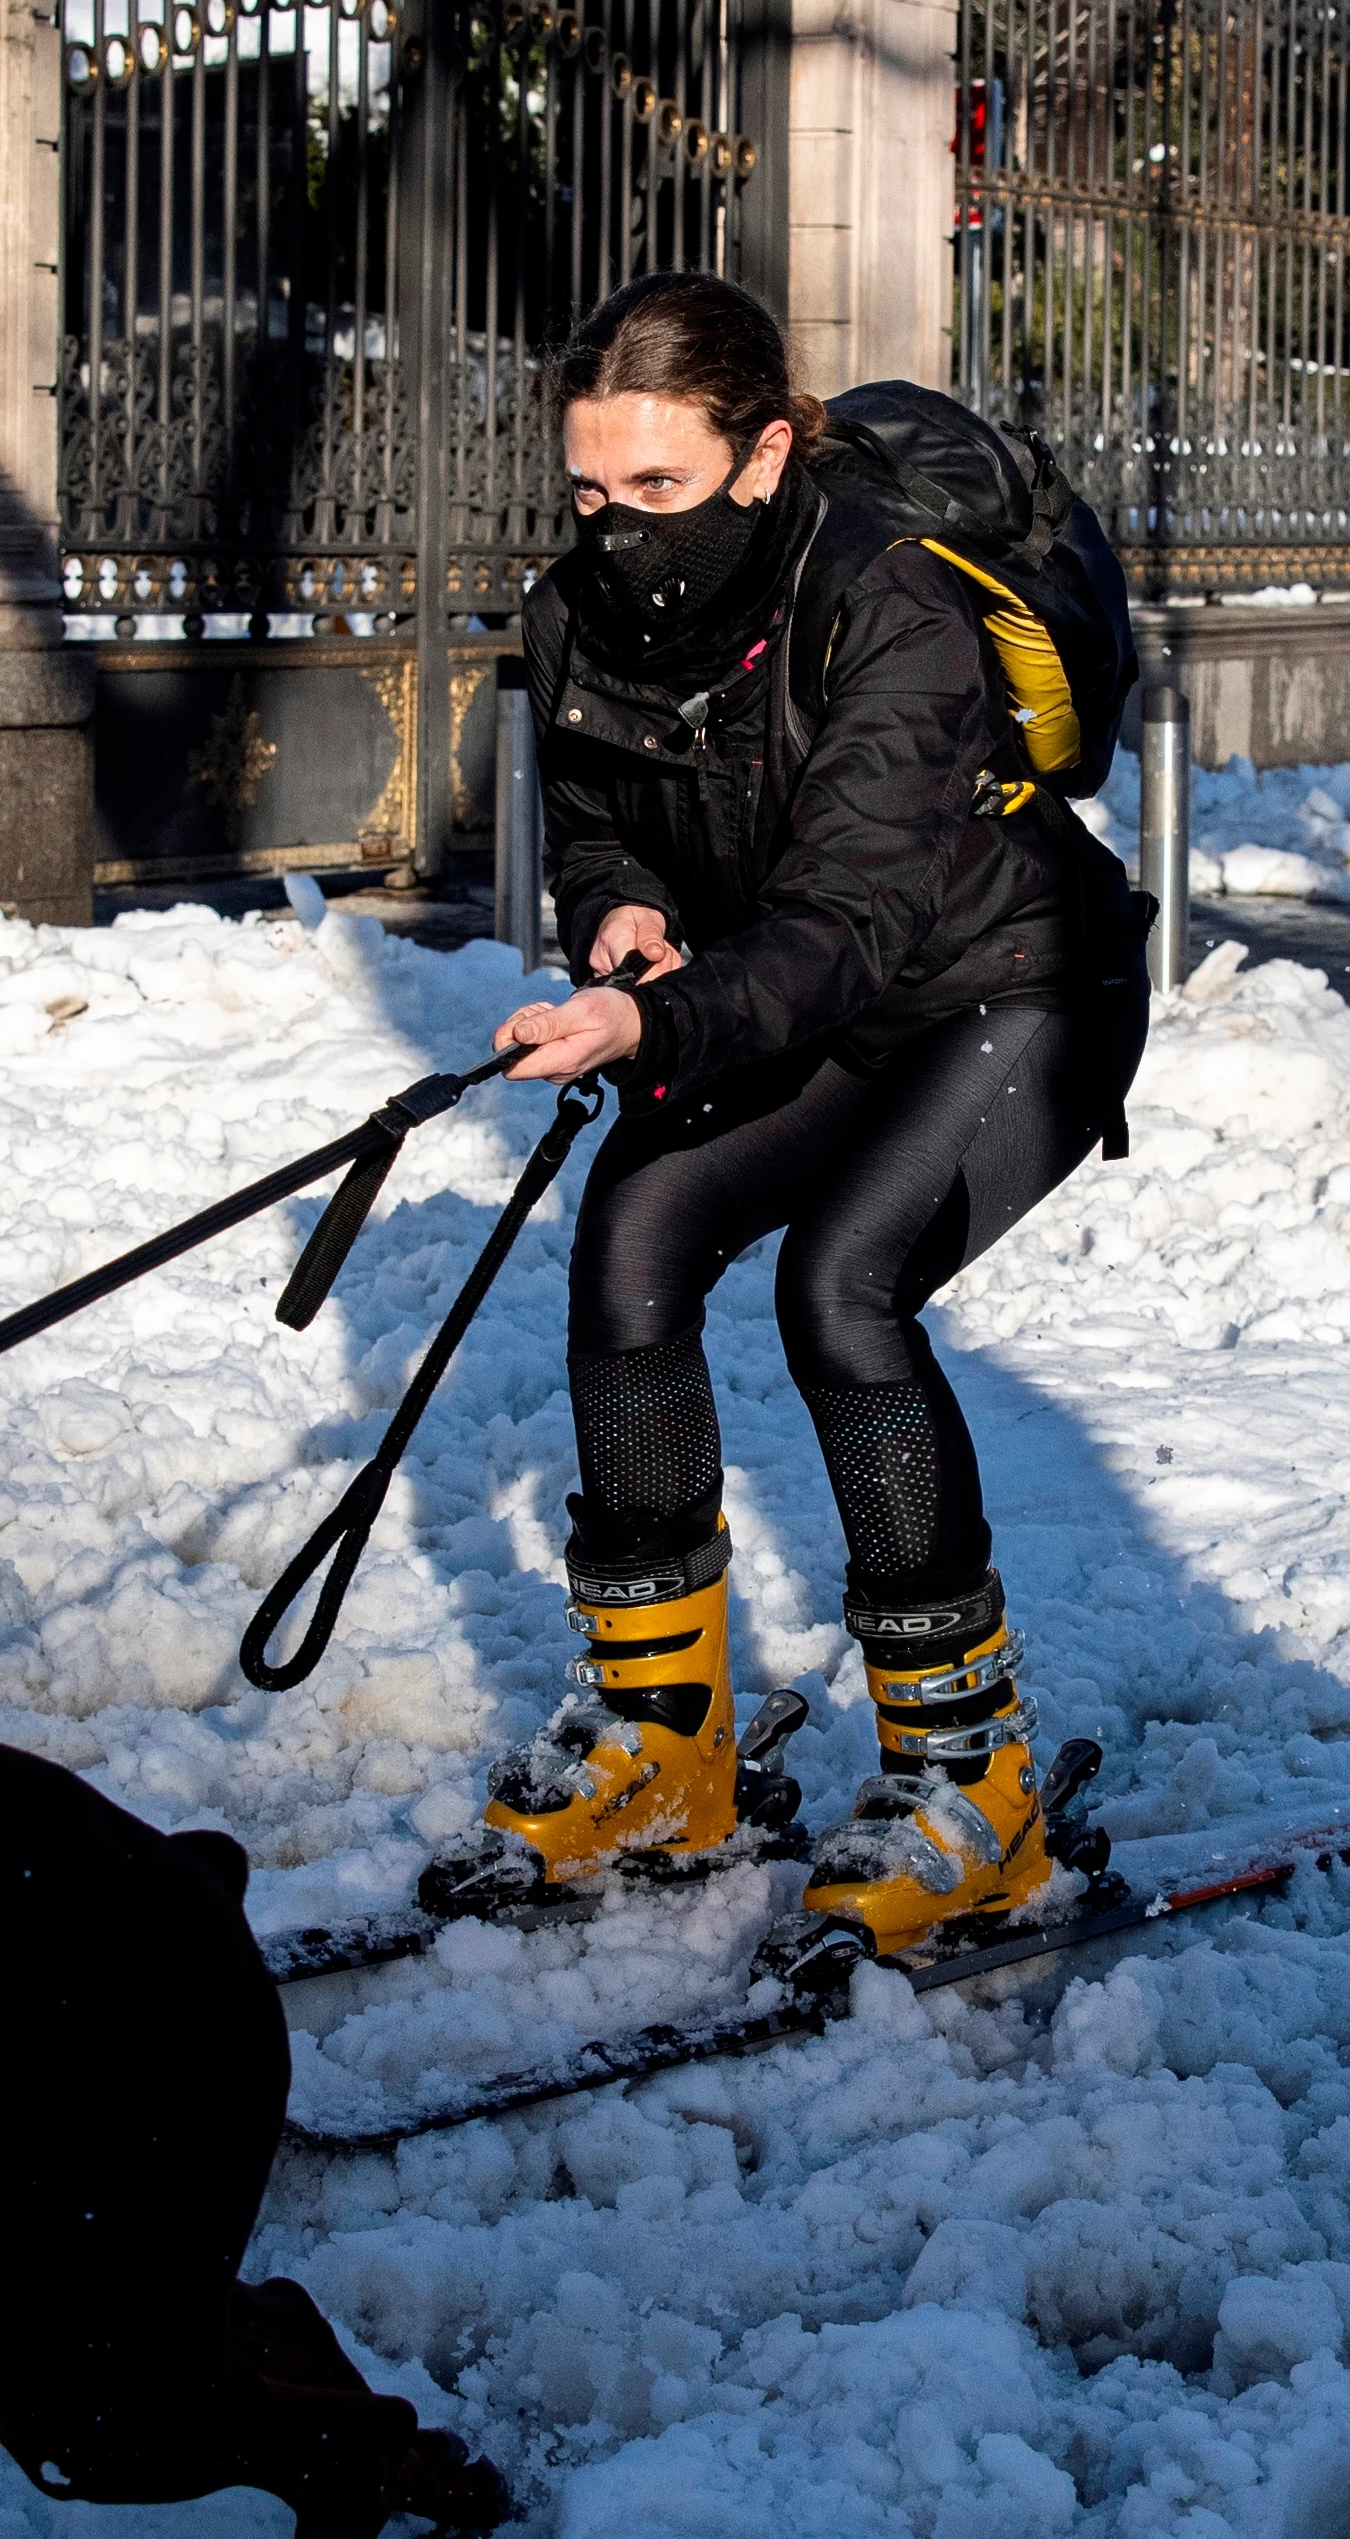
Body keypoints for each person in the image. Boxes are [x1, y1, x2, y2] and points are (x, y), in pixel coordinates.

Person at [439, 270, 1150, 1975]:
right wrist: (618, 919)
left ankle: (973, 1784)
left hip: (1006, 986)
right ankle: (667, 1748)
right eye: (590, 491)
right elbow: (603, 820)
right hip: (781, 983)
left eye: (658, 489)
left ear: (763, 456)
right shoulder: (578, 612)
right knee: (633, 1240)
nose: (613, 531)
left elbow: (846, 927)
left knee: (842, 1288)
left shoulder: (890, 610)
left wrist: (654, 1018)